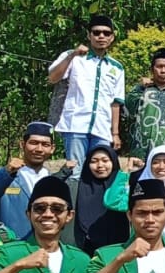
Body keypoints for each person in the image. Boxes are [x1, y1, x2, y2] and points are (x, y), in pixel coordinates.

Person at [48, 13, 125, 167]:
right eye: (96, 33)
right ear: (89, 36)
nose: (101, 36)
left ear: (112, 37)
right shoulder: (73, 57)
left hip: (102, 128)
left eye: (106, 33)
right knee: (75, 171)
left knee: (99, 173)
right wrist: (73, 55)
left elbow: (116, 103)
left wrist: (115, 134)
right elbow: (53, 78)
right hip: (75, 125)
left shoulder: (116, 67)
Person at [0, 121, 58, 241]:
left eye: (45, 144)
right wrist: (7, 173)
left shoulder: (54, 181)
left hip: (43, 247)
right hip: (10, 247)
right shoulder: (2, 175)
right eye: (34, 143)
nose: (39, 149)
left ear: (52, 149)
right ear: (22, 144)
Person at [67, 143, 130, 256]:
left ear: (113, 162)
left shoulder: (123, 186)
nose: (100, 165)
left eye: (105, 160)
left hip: (117, 251)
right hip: (83, 250)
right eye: (94, 161)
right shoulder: (77, 188)